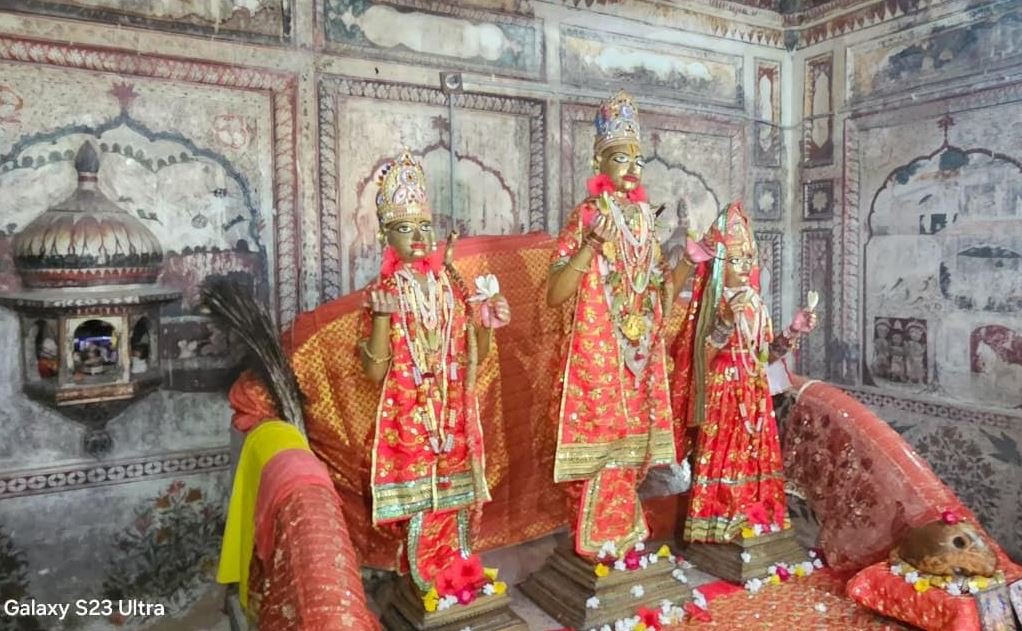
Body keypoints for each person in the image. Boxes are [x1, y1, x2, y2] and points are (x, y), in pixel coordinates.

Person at [546, 90, 711, 560]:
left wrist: (686, 265)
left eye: (637, 159)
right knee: (599, 449)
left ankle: (622, 535)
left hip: (638, 353)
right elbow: (554, 292)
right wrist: (589, 248)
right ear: (600, 163)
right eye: (621, 157)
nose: (632, 168)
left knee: (631, 449)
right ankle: (597, 539)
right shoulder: (587, 216)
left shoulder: (643, 220)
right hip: (597, 351)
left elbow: (657, 289)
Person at [358, 150, 511, 596]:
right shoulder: (383, 290)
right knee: (422, 504)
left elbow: (474, 356)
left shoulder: (453, 284)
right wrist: (383, 320)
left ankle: (458, 573)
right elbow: (372, 371)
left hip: (452, 412)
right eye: (405, 229)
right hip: (410, 415)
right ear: (387, 237)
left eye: (425, 226)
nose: (420, 237)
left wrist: (486, 322)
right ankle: (428, 580)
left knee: (456, 497)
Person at [672, 201, 816, 543]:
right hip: (723, 392)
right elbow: (698, 356)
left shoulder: (755, 304)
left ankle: (753, 517)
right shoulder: (711, 301)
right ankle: (718, 522)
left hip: (753, 393)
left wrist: (793, 330)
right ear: (721, 263)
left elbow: (765, 354)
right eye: (736, 260)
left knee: (754, 458)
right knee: (724, 457)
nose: (744, 266)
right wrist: (723, 322)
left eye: (748, 259)